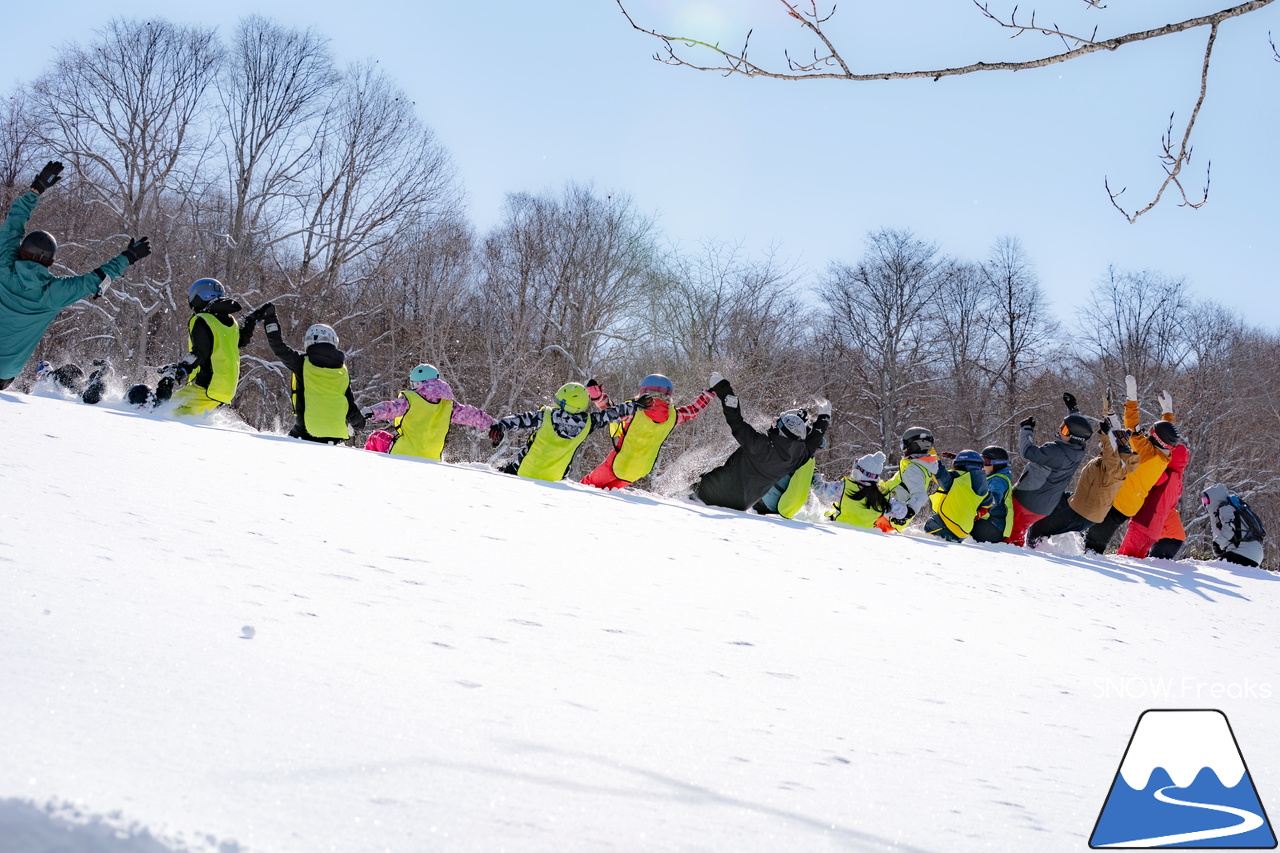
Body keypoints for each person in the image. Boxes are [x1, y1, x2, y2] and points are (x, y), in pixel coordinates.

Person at [1, 161, 150, 390]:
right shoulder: (53, 293)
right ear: (51, 262)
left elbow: (13, 223)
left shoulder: (4, 264)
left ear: (21, 250)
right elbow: (96, 279)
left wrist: (37, 188)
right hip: (5, 371)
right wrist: (128, 257)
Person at [691, 373, 831, 511]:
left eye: (778, 422)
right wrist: (824, 417)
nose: (774, 422)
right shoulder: (797, 457)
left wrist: (724, 389)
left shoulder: (760, 445)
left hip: (710, 492)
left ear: (782, 431)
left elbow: (736, 421)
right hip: (740, 506)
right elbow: (814, 440)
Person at [1026, 400, 1139, 549]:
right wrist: (1106, 413)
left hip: (1083, 513)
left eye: (1110, 444)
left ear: (1114, 447)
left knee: (1038, 528)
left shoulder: (1116, 466)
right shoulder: (1120, 457)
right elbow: (1115, 436)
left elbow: (1111, 453)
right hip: (1080, 501)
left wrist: (1105, 436)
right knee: (1053, 497)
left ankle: (1031, 552)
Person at [1084, 378, 1178, 554]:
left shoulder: (1146, 451)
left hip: (1118, 502)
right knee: (1094, 530)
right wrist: (1167, 414)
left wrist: (1131, 398)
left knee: (1094, 540)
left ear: (1155, 438)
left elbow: (1131, 425)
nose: (1148, 433)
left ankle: (1091, 563)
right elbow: (1169, 434)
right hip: (1131, 503)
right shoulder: (1166, 455)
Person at [491, 382, 653, 482]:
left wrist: (500, 426)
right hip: (555, 477)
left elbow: (519, 420)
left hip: (525, 470)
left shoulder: (546, 415)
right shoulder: (589, 423)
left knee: (503, 471)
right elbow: (611, 413)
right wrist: (636, 405)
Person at [581, 374, 715, 490]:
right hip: (640, 470)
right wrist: (707, 395)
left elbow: (612, 411)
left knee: (586, 487)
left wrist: (598, 397)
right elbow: (693, 411)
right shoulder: (673, 416)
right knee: (605, 493)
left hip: (617, 464)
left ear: (644, 391)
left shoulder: (635, 411)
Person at [256, 304, 365, 444]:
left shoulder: (302, 363)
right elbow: (350, 404)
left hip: (306, 429)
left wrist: (270, 319)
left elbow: (278, 347)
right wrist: (359, 424)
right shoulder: (342, 371)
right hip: (336, 433)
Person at [152, 279, 258, 417]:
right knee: (182, 419)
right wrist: (252, 321)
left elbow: (200, 352)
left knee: (160, 411)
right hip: (225, 390)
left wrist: (181, 369)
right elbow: (240, 341)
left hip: (207, 386)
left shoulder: (201, 319)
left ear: (199, 296)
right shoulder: (231, 321)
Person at [1005, 393, 1091, 545]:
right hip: (1045, 507)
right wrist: (1073, 411)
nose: (1060, 431)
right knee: (1019, 528)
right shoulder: (1078, 450)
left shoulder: (1055, 452)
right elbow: (1079, 430)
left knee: (1011, 529)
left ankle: (1009, 556)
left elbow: (1027, 452)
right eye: (1062, 427)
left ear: (1074, 438)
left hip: (1028, 499)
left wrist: (1026, 430)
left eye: (1064, 431)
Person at [363, 363, 495, 459]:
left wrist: (371, 411)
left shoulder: (410, 399)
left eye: (413, 384)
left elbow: (390, 408)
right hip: (431, 457)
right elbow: (471, 414)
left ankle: (369, 468)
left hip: (403, 452)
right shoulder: (449, 405)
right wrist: (492, 425)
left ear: (417, 383)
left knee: (377, 436)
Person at [1118, 443, 1190, 558]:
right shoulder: (1177, 479)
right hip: (1155, 530)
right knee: (1138, 561)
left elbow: (1144, 477)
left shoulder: (1164, 474)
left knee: (1124, 558)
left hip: (1144, 522)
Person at [754, 413, 829, 519]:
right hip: (780, 506)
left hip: (763, 500)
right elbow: (820, 442)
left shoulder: (789, 449)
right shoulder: (805, 455)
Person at [878, 426, 940, 531]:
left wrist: (907, 513)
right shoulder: (916, 465)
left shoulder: (913, 468)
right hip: (887, 513)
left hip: (888, 517)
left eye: (904, 445)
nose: (903, 449)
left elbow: (920, 495)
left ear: (914, 445)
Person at [924, 450, 991, 542]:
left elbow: (939, 474)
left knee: (922, 533)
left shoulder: (957, 479)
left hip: (947, 523)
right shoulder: (982, 484)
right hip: (963, 531)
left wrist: (933, 458)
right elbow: (989, 502)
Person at [820, 451, 896, 530]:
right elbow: (902, 512)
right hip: (868, 535)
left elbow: (820, 490)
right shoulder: (884, 496)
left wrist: (815, 474)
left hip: (840, 529)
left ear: (858, 472)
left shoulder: (843, 487)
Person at [1202, 484, 1266, 568]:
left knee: (1214, 569)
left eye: (1206, 500)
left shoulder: (1225, 508)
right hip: (1254, 555)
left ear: (1214, 498)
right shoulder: (1234, 508)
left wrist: (1217, 544)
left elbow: (1229, 529)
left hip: (1242, 552)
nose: (1205, 504)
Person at [970, 446, 1013, 543]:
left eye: (986, 462)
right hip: (990, 524)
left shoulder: (998, 481)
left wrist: (982, 510)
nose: (983, 465)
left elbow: (994, 498)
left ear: (997, 464)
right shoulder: (992, 477)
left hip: (992, 527)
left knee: (958, 526)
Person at [33, 358, 114, 405]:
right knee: (71, 368)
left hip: (84, 395)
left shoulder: (90, 395)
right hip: (82, 390)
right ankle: (49, 376)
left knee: (69, 369)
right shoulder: (96, 387)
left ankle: (48, 376)